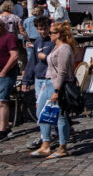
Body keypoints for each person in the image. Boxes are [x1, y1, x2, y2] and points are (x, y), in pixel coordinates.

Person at [30, 22, 76, 158]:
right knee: (41, 112)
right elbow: (51, 68)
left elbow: (62, 71)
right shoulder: (56, 47)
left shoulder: (64, 48)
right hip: (49, 83)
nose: (49, 35)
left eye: (51, 33)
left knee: (60, 116)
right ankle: (46, 143)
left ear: (59, 34)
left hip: (59, 85)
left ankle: (62, 147)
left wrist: (57, 90)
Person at [21, 16, 55, 149]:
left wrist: (46, 58)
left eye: (45, 28)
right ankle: (48, 133)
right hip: (39, 79)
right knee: (40, 108)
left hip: (49, 79)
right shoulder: (38, 43)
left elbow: (58, 61)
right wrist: (27, 80)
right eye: (40, 29)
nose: (43, 32)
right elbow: (32, 63)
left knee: (46, 109)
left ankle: (48, 135)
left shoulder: (53, 42)